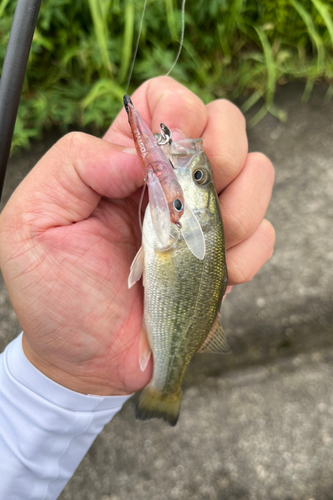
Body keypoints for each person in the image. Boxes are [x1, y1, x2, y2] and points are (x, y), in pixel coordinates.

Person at [0, 77, 275, 499]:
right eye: (200, 175)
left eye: (197, 175)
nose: (190, 166)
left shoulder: (178, 226)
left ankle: (166, 387)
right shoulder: (168, 216)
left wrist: (58, 379)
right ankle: (167, 388)